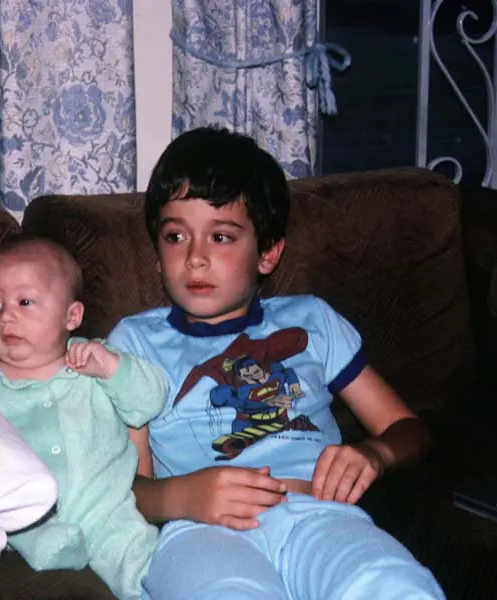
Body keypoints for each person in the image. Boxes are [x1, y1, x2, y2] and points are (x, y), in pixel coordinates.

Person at [106, 127, 446, 599]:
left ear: (267, 253)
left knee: (393, 585)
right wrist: (181, 495)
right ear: (157, 255)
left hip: (320, 517)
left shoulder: (312, 321)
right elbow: (126, 487)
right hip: (200, 530)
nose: (195, 258)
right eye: (176, 236)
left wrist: (375, 454)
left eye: (221, 236)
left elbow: (408, 429)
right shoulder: (134, 343)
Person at [0, 235, 167, 600]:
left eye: (24, 302)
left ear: (72, 316)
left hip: (106, 512)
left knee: (144, 571)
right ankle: (39, 541)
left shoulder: (94, 360)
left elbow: (149, 401)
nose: (6, 316)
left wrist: (112, 369)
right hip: (21, 515)